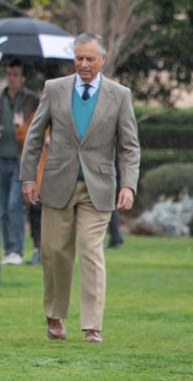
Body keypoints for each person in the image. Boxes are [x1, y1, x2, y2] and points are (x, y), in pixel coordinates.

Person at [19, 34, 139, 344]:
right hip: (58, 183)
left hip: (99, 187)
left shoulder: (120, 95)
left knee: (90, 250)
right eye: (78, 59)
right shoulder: (54, 89)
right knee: (55, 252)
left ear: (103, 60)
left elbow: (129, 147)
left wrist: (128, 185)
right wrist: (29, 178)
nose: (83, 64)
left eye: (89, 59)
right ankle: (55, 316)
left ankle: (92, 325)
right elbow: (34, 138)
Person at [0, 60, 41, 265]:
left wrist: (22, 127)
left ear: (22, 78)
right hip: (0, 158)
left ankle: (16, 249)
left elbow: (39, 127)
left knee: (15, 205)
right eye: (9, 74)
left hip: (20, 160)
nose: (11, 78)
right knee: (3, 207)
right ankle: (9, 249)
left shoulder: (31, 100)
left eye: (15, 74)